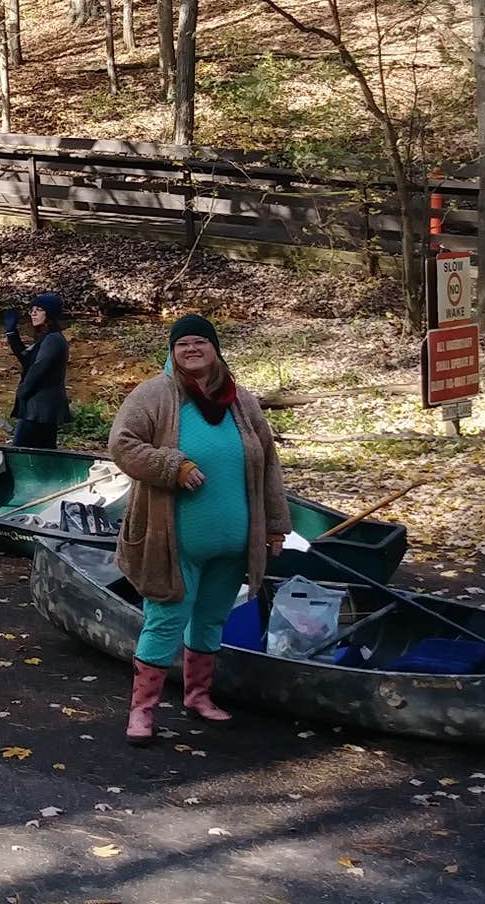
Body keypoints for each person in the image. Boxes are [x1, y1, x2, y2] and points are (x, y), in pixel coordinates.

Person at [109, 312, 291, 745]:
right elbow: (123, 444)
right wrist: (173, 466)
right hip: (174, 541)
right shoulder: (156, 395)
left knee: (211, 620)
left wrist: (275, 525)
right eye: (182, 344)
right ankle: (142, 712)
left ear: (215, 349)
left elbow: (267, 466)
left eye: (200, 343)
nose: (191, 350)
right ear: (172, 353)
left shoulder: (241, 402)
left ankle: (198, 697)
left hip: (232, 544)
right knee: (166, 619)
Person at [4, 292, 70, 449]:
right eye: (32, 309)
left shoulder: (53, 339)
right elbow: (26, 359)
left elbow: (37, 369)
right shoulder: (47, 338)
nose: (33, 313)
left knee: (19, 451)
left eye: (39, 309)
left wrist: (22, 392)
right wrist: (12, 333)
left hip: (40, 409)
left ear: (50, 314)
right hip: (42, 408)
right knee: (45, 451)